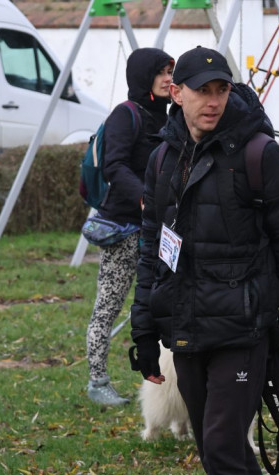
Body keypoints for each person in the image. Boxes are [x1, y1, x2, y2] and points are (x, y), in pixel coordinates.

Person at [129, 46, 279, 475]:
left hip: (243, 326)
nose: (213, 101)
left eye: (221, 90)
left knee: (221, 440)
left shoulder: (262, 156)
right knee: (221, 453)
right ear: (176, 93)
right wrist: (143, 328)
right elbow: (151, 249)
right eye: (201, 90)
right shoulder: (163, 159)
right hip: (186, 325)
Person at [86, 48, 174, 406]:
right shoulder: (126, 115)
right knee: (109, 304)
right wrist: (143, 197)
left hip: (157, 228)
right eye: (162, 73)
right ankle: (98, 382)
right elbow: (114, 165)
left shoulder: (167, 116)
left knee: (162, 301)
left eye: (171, 72)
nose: (169, 79)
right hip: (124, 229)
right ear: (144, 78)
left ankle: (166, 380)